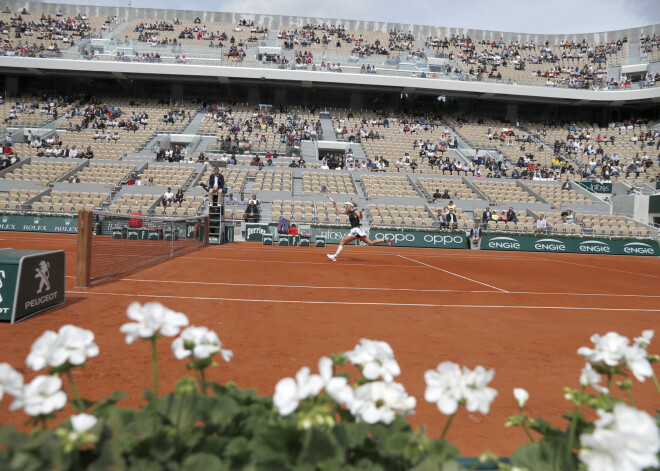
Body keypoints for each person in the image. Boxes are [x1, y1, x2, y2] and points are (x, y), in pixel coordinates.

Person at [327, 201, 392, 261]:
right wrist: (335, 204)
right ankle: (385, 240)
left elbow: (360, 217)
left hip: (356, 231)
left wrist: (360, 212)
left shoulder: (355, 211)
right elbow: (340, 212)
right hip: (359, 231)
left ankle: (335, 256)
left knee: (342, 242)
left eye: (347, 205)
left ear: (351, 206)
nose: (346, 206)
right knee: (370, 243)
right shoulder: (349, 212)